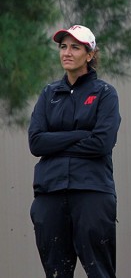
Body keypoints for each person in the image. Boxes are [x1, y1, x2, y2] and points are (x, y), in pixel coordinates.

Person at [28, 25, 121, 278]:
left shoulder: (105, 94)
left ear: (90, 55)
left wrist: (56, 140)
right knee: (56, 273)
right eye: (63, 47)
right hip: (50, 192)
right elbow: (36, 143)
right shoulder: (48, 94)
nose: (67, 52)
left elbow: (101, 143)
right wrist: (80, 135)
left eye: (75, 47)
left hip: (92, 192)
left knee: (99, 272)